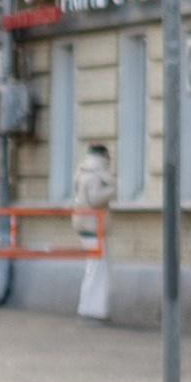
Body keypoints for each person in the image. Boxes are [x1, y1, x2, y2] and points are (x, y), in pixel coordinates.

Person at [73, 137, 115, 324]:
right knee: (98, 270)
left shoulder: (82, 171)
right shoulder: (95, 174)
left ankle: (89, 308)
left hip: (84, 226)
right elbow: (95, 200)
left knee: (93, 269)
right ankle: (93, 311)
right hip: (93, 227)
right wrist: (112, 189)